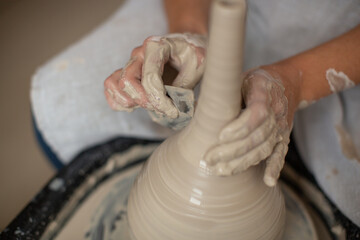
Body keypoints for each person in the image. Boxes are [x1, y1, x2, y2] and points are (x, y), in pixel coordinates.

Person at [103, 0, 360, 227]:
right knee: (71, 103)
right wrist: (189, 29)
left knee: (350, 193)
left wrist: (298, 81)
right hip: (223, 12)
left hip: (341, 40)